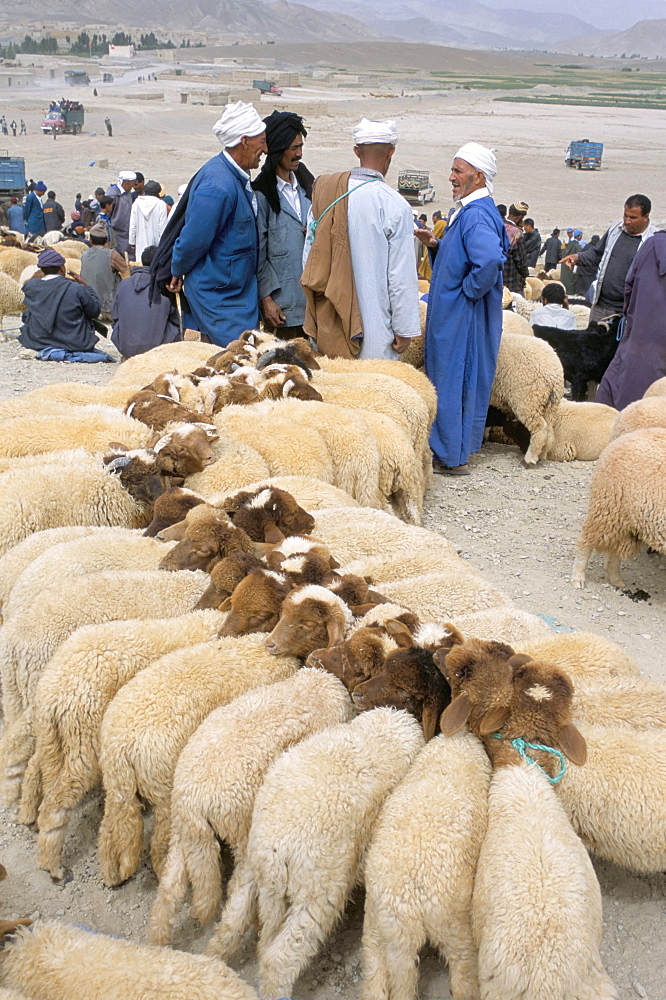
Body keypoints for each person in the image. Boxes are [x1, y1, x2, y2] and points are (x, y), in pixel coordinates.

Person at [417, 142, 508, 476]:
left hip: (462, 318)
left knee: (454, 377)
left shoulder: (477, 214)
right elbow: (468, 257)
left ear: (478, 175)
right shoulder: (472, 212)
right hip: (459, 313)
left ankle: (452, 455)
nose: (451, 177)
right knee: (452, 376)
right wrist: (437, 246)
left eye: (458, 171)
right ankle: (453, 450)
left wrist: (465, 294)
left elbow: (488, 261)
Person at [302, 118, 420, 361]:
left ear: (356, 151)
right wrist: (404, 328)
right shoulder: (395, 204)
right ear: (391, 152)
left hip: (329, 319)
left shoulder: (324, 195)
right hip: (376, 328)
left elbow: (308, 259)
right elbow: (400, 276)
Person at [167, 101, 267, 345]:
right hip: (221, 299)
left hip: (236, 294)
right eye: (261, 141)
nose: (265, 148)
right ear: (244, 141)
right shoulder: (217, 185)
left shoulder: (233, 177)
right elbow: (193, 240)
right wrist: (177, 269)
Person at [252, 109, 313, 338]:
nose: (299, 154)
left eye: (301, 147)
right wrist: (266, 298)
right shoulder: (262, 195)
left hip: (312, 307)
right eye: (294, 148)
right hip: (282, 309)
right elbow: (258, 253)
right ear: (278, 150)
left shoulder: (308, 188)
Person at [595, 229, 666, 409]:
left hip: (640, 328)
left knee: (621, 378)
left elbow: (629, 282)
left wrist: (630, 313)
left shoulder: (650, 244)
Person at [561, 195, 656, 323]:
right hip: (601, 306)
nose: (627, 221)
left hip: (628, 313)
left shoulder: (654, 241)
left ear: (646, 217)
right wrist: (577, 258)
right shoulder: (615, 229)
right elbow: (597, 254)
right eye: (625, 215)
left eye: (633, 217)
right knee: (592, 341)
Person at [19, 248, 103, 356]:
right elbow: (94, 311)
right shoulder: (76, 288)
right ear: (62, 268)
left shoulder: (30, 286)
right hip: (74, 343)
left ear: (42, 269)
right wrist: (85, 285)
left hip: (36, 341)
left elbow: (25, 316)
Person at [112, 245, 181, 358]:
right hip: (157, 350)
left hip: (125, 349)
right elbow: (177, 321)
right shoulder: (166, 286)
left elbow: (115, 318)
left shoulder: (124, 284)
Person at [80, 222, 130, 320]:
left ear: (90, 240)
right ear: (106, 240)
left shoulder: (84, 255)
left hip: (90, 305)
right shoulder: (112, 254)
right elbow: (126, 271)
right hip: (108, 306)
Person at [129, 179, 167, 263]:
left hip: (140, 242)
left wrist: (132, 242)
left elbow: (133, 225)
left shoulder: (136, 203)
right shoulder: (161, 204)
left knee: (141, 263)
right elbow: (162, 227)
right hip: (156, 244)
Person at [104, 170, 137, 255]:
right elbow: (107, 214)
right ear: (126, 182)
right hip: (116, 234)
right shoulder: (112, 195)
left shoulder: (128, 193)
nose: (133, 186)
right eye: (132, 183)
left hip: (127, 233)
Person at [502, 201, 529, 293]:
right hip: (511, 282)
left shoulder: (497, 225)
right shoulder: (516, 232)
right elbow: (521, 260)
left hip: (494, 279)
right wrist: (525, 274)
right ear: (518, 217)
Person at [560, 229, 581, 295]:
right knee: (572, 278)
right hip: (572, 264)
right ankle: (571, 291)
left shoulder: (568, 244)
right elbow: (579, 254)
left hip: (565, 264)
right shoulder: (576, 245)